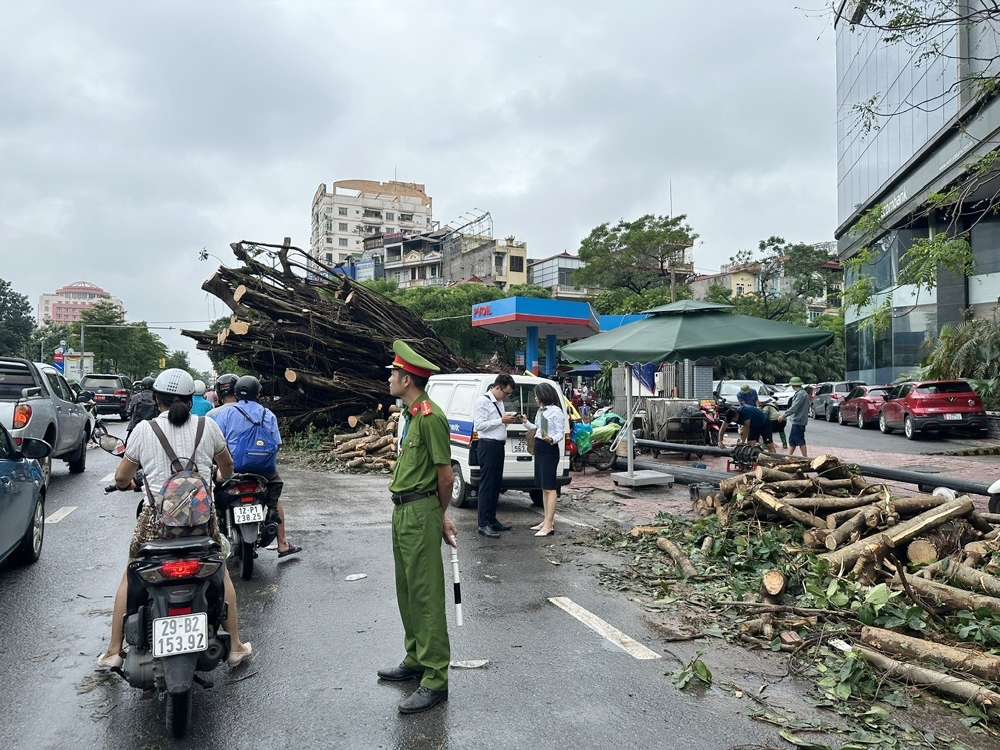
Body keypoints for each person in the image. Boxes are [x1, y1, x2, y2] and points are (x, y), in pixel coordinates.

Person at [97, 368, 252, 670]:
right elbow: (228, 467)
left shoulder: (144, 429)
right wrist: (218, 477)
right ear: (191, 400)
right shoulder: (208, 427)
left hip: (155, 526)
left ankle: (114, 651)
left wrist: (126, 484)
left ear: (157, 398)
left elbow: (121, 477)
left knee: (131, 575)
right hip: (202, 525)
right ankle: (234, 647)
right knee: (222, 574)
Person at [377, 340, 457, 715]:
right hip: (402, 510)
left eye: (393, 373)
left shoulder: (429, 417)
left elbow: (445, 477)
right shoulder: (410, 416)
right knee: (407, 590)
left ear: (407, 379)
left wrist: (437, 516)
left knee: (426, 596)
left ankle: (436, 678)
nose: (390, 378)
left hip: (420, 510)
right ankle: (415, 659)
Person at [209, 375, 302, 558]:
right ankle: (282, 543)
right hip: (264, 470)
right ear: (258, 393)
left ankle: (212, 541)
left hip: (234, 468)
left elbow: (216, 443)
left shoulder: (225, 414)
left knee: (211, 494)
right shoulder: (268, 414)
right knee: (275, 494)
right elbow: (277, 444)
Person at [473, 373, 517, 538]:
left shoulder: (498, 402)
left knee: (496, 484)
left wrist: (506, 420)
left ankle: (492, 519)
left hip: (499, 446)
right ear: (497, 387)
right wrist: (501, 420)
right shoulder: (483, 401)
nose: (505, 397)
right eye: (505, 393)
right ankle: (483, 523)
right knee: (487, 485)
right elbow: (479, 425)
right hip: (488, 446)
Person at [521, 381, 566, 536]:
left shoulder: (556, 412)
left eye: (536, 395)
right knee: (543, 486)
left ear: (544, 396)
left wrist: (551, 439)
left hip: (549, 449)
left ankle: (549, 524)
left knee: (550, 486)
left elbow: (560, 432)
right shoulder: (541, 410)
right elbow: (538, 429)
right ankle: (547, 520)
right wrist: (526, 423)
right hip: (540, 447)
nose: (535, 398)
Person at [784, 376, 810, 457]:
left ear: (793, 385)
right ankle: (789, 456)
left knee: (800, 440)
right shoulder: (801, 393)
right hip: (796, 420)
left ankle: (805, 457)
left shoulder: (801, 394)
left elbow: (794, 407)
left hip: (799, 420)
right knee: (792, 441)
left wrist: (784, 415)